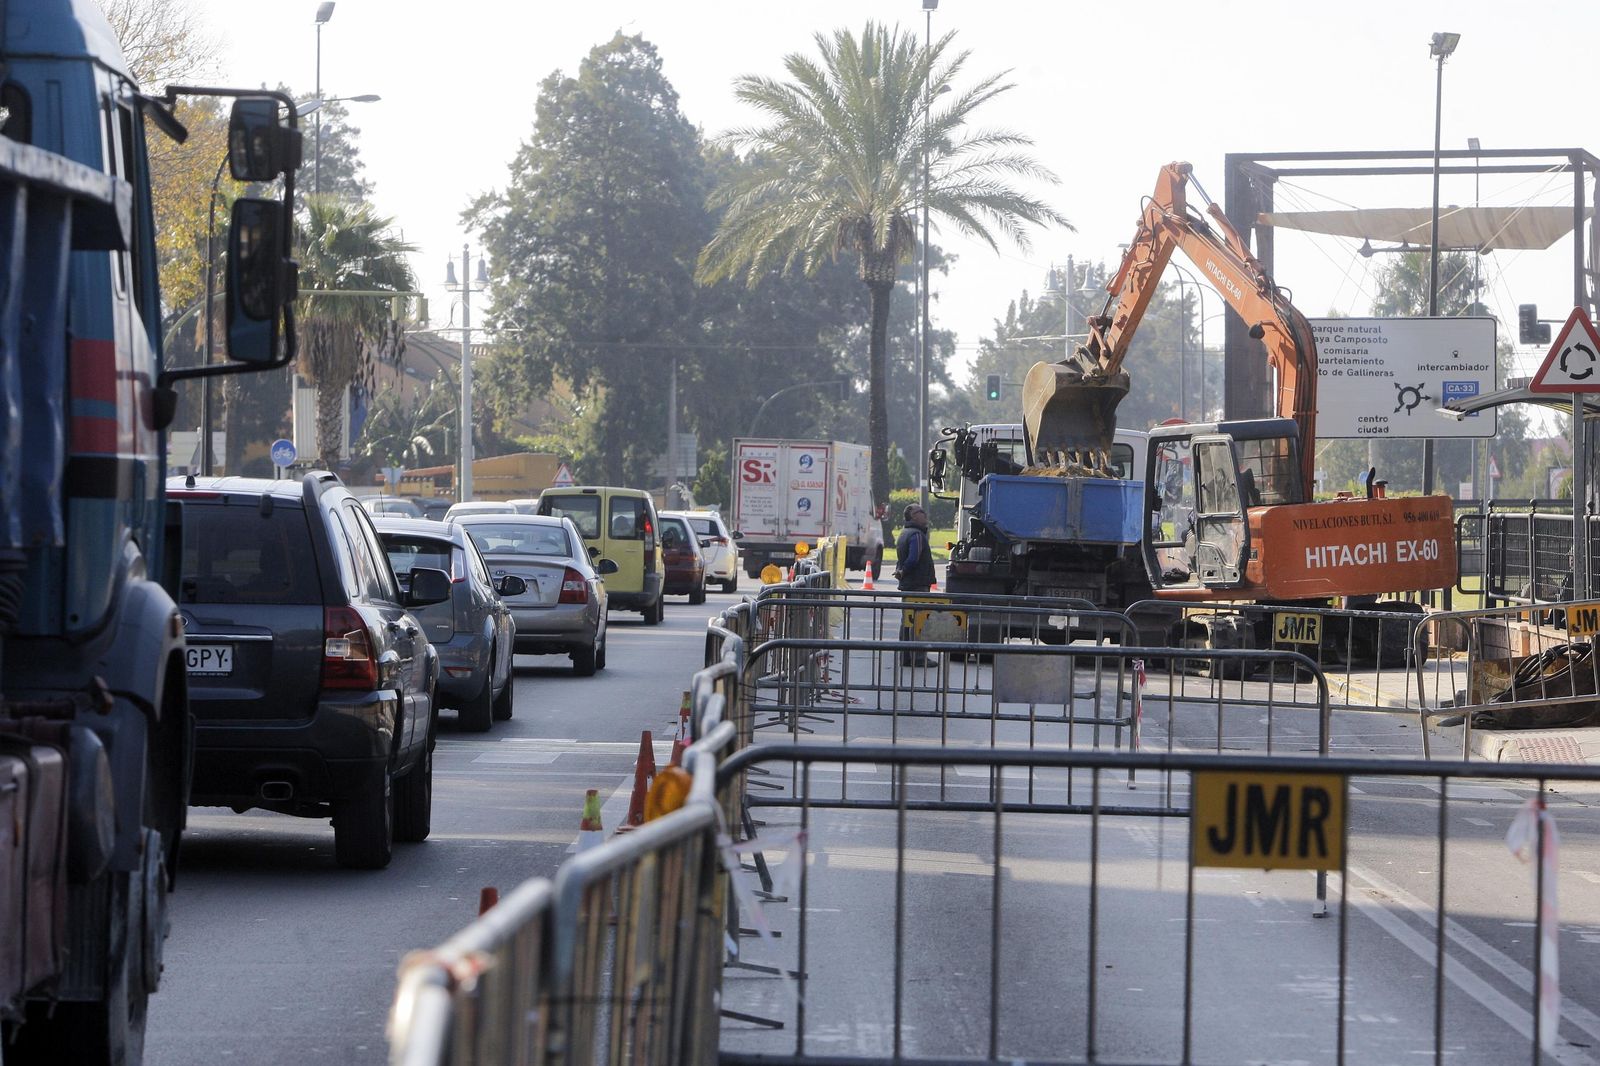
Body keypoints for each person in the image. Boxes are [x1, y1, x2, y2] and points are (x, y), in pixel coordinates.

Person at [894, 504, 935, 666]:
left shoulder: (904, 533)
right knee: (919, 620)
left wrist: (901, 571)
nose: (924, 514)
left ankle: (905, 657)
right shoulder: (917, 535)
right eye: (920, 512)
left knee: (907, 620)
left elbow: (902, 559)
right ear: (913, 516)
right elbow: (912, 559)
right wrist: (903, 570)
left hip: (908, 584)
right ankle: (918, 657)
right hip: (918, 584)